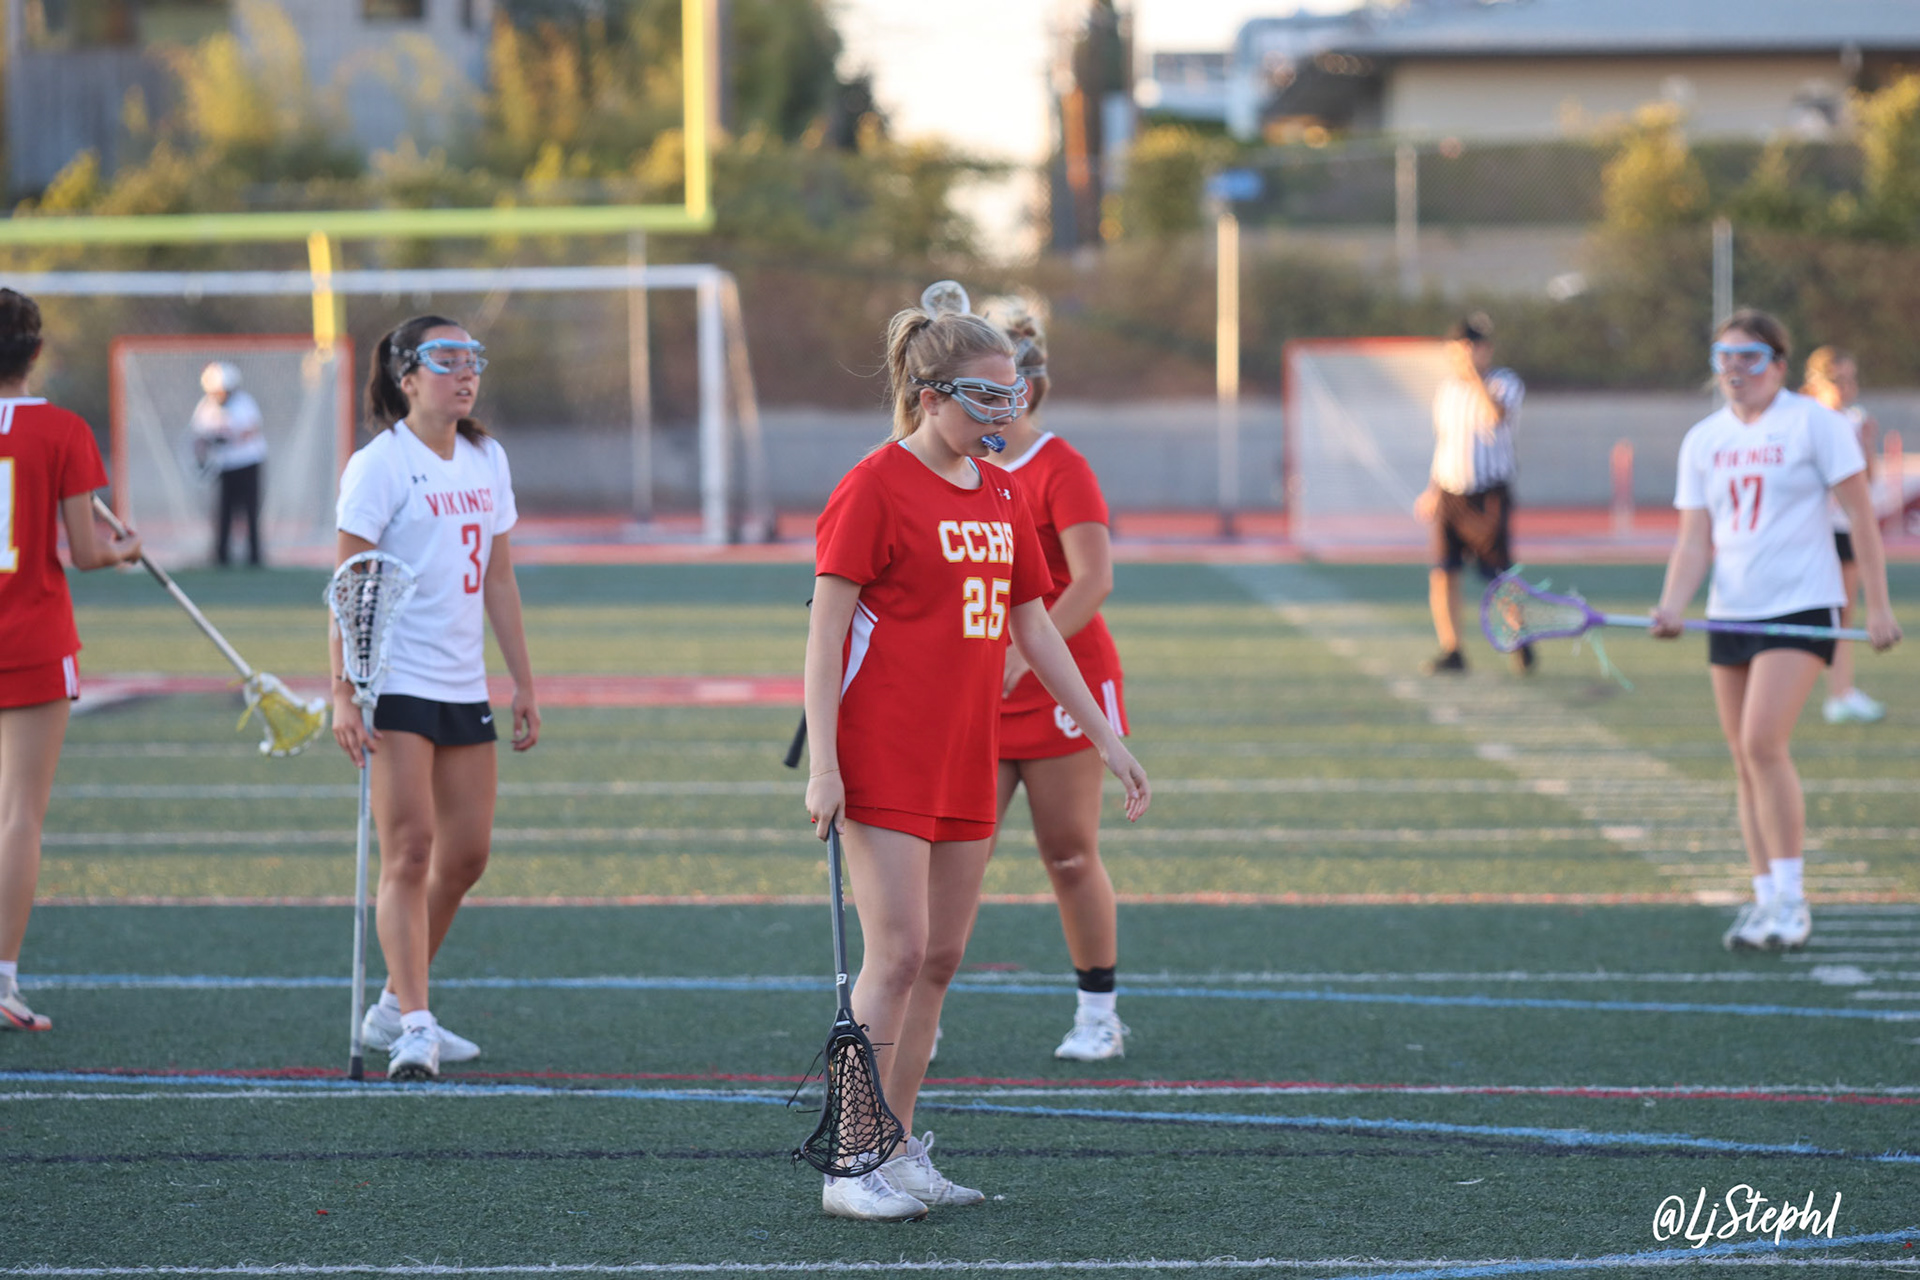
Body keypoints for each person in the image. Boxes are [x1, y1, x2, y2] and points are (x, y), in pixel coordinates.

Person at [803, 301, 1150, 1220]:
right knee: (896, 954)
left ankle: (896, 1145)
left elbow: (1035, 627)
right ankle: (849, 1163)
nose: (1008, 408)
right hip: (886, 753)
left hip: (966, 750)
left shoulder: (1001, 492)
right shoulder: (874, 485)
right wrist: (825, 764)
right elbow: (825, 635)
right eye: (988, 395)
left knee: (940, 958)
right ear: (931, 395)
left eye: (1014, 393)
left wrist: (1107, 739)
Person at [329, 315, 540, 1081]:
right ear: (406, 376)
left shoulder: (487, 458)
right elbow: (348, 586)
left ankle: (394, 1003)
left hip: (462, 683)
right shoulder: (379, 465)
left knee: (467, 855)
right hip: (395, 681)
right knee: (410, 850)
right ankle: (416, 1025)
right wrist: (343, 691)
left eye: (472, 358)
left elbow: (500, 578)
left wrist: (522, 680)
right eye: (446, 359)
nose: (465, 372)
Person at [1651, 310, 1898, 953]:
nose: (1735, 370)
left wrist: (1877, 607)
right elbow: (1694, 540)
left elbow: (1861, 518)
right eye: (1724, 358)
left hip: (1801, 605)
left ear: (1779, 365)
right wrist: (1672, 604)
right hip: (1731, 609)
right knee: (1743, 757)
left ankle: (1792, 899)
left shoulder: (1815, 424)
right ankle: (1764, 900)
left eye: (1750, 357)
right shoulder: (1704, 439)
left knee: (1763, 743)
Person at [975, 292, 1130, 1062]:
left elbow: (1093, 579)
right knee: (952, 859)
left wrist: (1023, 655)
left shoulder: (1059, 466)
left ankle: (1098, 1013)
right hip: (976, 687)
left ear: (1026, 388)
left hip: (1058, 677)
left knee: (1068, 852)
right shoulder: (953, 468)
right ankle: (916, 1006)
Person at [0, 288, 143, 1031]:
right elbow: (87, 553)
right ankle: (1, 976)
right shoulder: (62, 430)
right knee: (19, 813)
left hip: (27, 639)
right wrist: (125, 549)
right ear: (35, 351)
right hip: (31, 639)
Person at [1414, 313, 1531, 675]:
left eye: (1469, 348)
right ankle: (1452, 649)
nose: (1461, 356)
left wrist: (1475, 377)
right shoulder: (1447, 391)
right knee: (1443, 573)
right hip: (1451, 493)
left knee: (1500, 575)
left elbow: (1495, 416)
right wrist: (1432, 490)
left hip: (1488, 495)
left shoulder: (1504, 382)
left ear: (1485, 350)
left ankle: (1518, 637)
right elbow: (1445, 442)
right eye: (1457, 349)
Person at [1801, 347, 1886, 724]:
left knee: (1842, 614)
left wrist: (1866, 443)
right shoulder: (1804, 419)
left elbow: (1869, 480)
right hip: (1810, 530)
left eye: (1851, 379)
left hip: (1843, 528)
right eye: (1838, 379)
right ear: (1815, 381)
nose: (1847, 387)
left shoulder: (1854, 419)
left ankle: (1840, 692)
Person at [190, 362, 267, 567]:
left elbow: (251, 429)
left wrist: (228, 438)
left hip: (248, 463)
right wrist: (204, 450)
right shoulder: (206, 406)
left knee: (250, 510)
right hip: (223, 466)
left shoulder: (244, 403)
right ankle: (221, 555)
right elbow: (199, 436)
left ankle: (254, 556)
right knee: (223, 511)